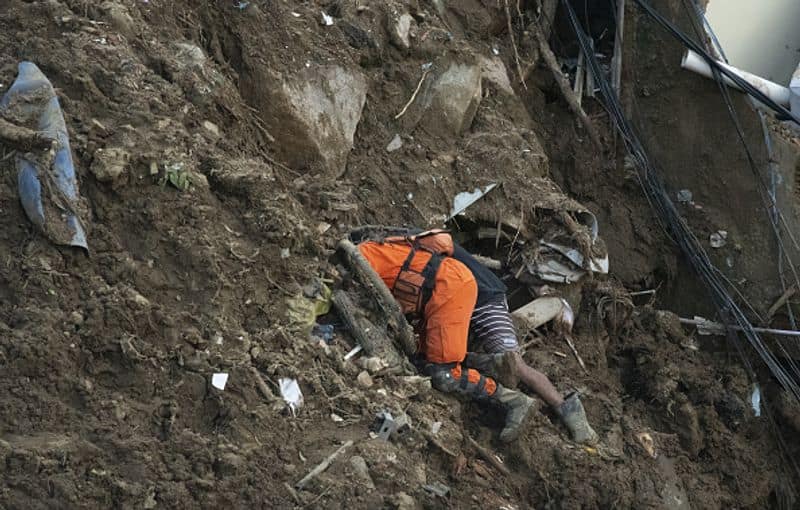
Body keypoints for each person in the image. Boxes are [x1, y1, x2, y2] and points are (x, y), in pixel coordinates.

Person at [354, 228, 597, 444]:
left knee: (515, 364)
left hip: (483, 298)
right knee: (442, 354)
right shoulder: (409, 245)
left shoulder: (404, 250)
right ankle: (488, 364)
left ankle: (568, 410)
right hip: (452, 297)